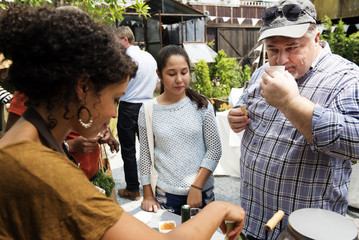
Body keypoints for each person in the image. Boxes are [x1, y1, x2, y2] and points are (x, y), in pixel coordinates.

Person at [0, 5, 245, 240]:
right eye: (115, 99)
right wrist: (220, 209)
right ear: (82, 88)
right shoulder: (46, 171)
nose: (115, 114)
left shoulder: (22, 146)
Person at [227, 0, 359, 239]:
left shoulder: (346, 77)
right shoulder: (262, 71)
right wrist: (236, 115)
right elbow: (245, 105)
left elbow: (356, 143)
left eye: (292, 47)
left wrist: (291, 102)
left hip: (306, 232)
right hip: (253, 219)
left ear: (316, 37)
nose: (281, 60)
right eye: (273, 49)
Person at [138, 45, 222, 215]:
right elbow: (146, 155)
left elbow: (214, 150)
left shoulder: (202, 105)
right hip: (166, 197)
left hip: (201, 195)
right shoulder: (148, 110)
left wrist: (197, 186)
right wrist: (147, 195)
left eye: (184, 72)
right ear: (159, 74)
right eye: (171, 74)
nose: (179, 79)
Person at [5, 90, 119, 180]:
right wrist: (69, 146)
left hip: (91, 170)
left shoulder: (81, 91)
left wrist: (104, 129)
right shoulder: (30, 94)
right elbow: (14, 151)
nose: (115, 114)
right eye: (114, 100)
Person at [114, 26, 158, 201]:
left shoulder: (125, 58)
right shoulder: (149, 57)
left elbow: (117, 85)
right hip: (147, 105)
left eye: (116, 41)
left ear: (125, 39)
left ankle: (133, 189)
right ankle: (154, 187)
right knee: (149, 150)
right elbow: (156, 85)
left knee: (129, 150)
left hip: (129, 106)